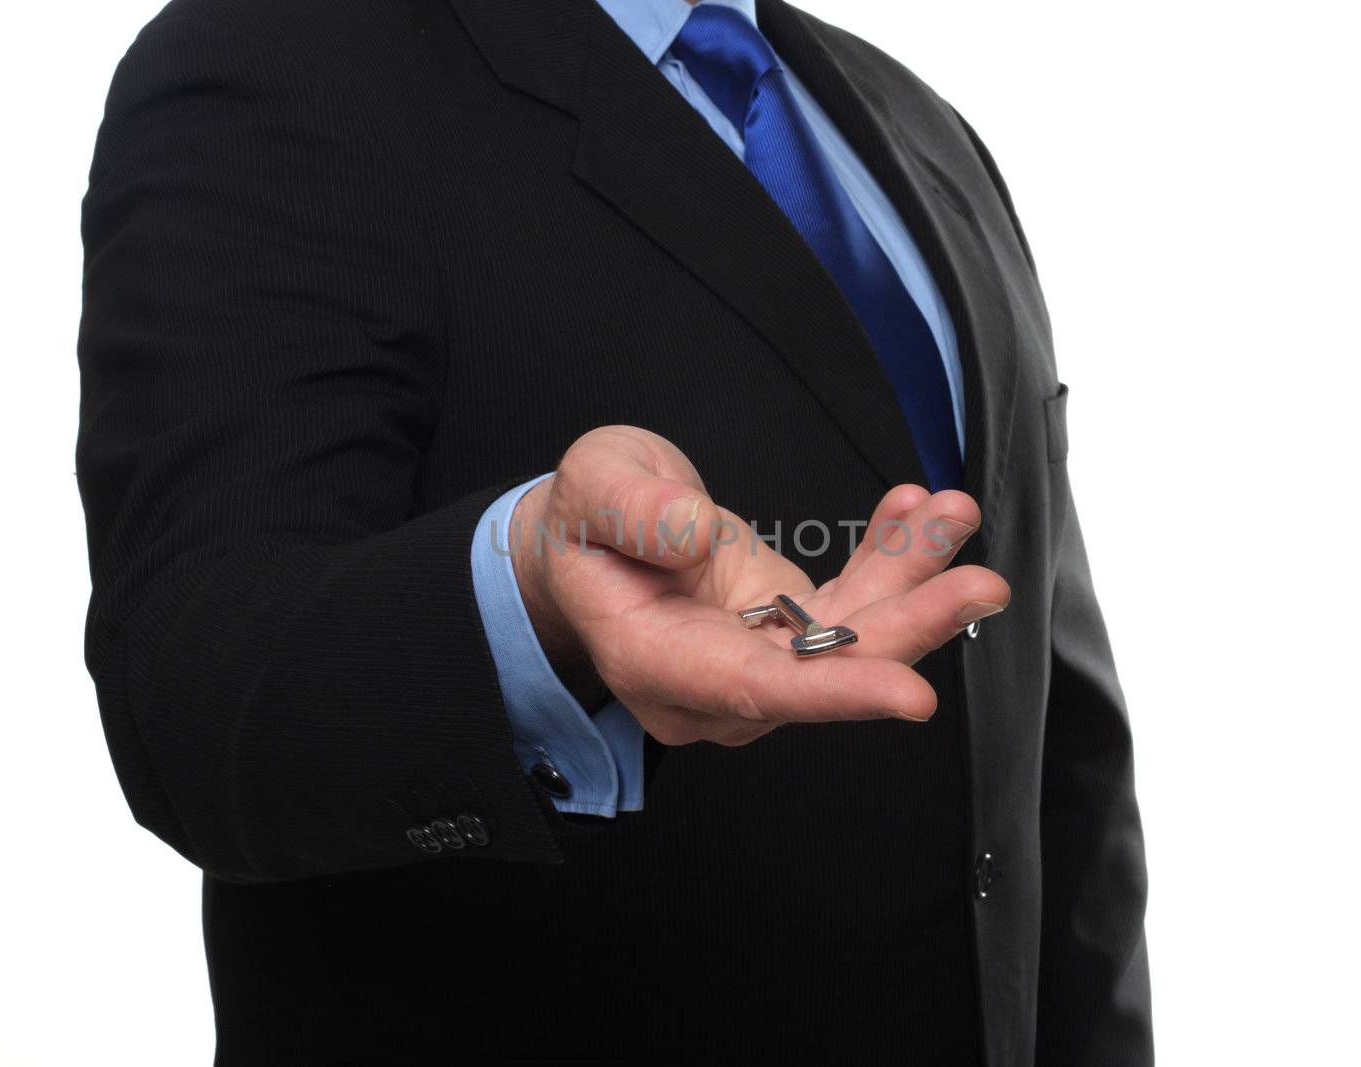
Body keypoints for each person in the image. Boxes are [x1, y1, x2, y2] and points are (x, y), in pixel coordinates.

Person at [76, 0, 1152, 1062]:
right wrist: (529, 593)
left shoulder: (919, 127)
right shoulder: (276, 56)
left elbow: (1058, 738)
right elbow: (190, 686)